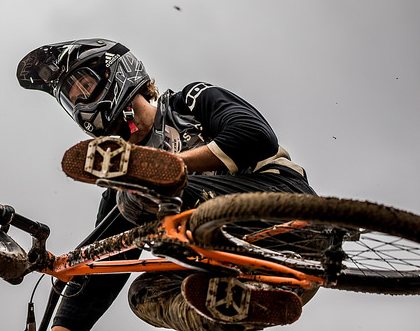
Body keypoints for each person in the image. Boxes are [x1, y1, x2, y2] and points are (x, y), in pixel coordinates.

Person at [17, 39, 317, 331]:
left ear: (116, 72)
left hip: (288, 209)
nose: (81, 101)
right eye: (73, 98)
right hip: (272, 276)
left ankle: (164, 186)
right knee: (143, 293)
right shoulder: (122, 189)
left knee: (137, 194)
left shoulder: (189, 102)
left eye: (85, 85)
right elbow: (102, 268)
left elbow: (256, 135)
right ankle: (244, 307)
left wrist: (175, 169)